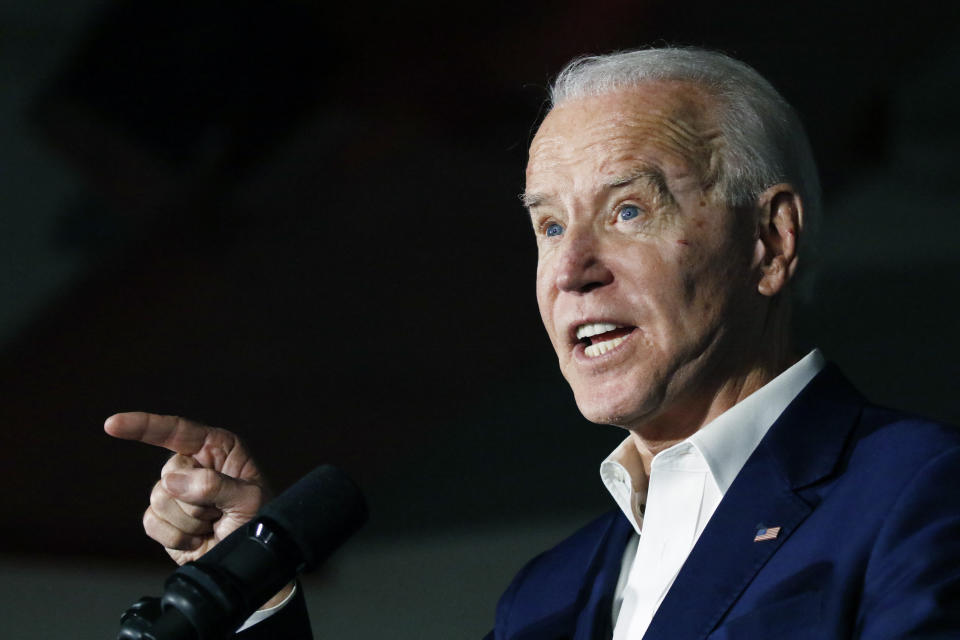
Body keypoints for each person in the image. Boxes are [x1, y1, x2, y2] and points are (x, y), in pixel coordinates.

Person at [105, 47, 960, 639]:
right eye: (549, 226)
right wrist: (251, 586)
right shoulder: (550, 594)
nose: (572, 268)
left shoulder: (918, 493)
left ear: (770, 243)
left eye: (628, 209)